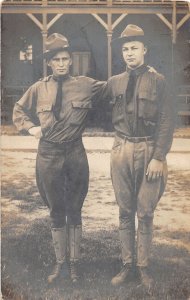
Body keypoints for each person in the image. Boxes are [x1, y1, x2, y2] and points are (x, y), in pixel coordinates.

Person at [13, 33, 105, 284]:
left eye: (66, 58)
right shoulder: (38, 88)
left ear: (70, 61)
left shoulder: (85, 84)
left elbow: (113, 87)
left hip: (75, 152)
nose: (62, 63)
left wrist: (141, 73)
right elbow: (19, 110)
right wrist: (30, 128)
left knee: (75, 209)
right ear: (50, 63)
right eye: (57, 60)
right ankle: (60, 264)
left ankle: (74, 265)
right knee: (56, 210)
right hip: (48, 153)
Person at [106, 24, 174, 289]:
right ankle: (127, 266)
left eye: (134, 47)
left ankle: (143, 267)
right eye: (125, 49)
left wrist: (159, 156)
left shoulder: (158, 81)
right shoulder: (114, 83)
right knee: (125, 211)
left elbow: (167, 121)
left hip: (148, 152)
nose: (129, 53)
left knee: (145, 212)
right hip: (121, 149)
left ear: (144, 49)